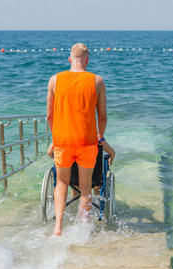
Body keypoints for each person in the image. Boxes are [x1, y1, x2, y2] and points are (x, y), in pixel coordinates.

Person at [46, 43, 108, 236]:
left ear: (70, 59)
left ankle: (58, 227)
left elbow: (49, 115)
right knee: (86, 187)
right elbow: (103, 116)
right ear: (87, 60)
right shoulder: (97, 81)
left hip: (63, 141)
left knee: (62, 183)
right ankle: (83, 227)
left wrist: (56, 136)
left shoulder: (54, 80)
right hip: (87, 142)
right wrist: (100, 135)